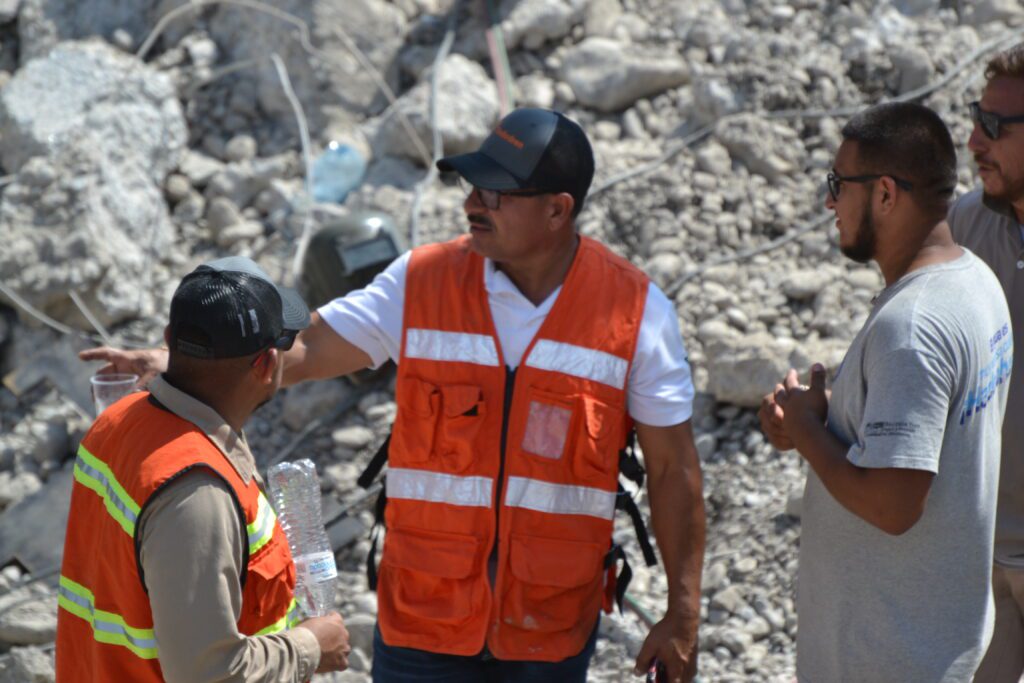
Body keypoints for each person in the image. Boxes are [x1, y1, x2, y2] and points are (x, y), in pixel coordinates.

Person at [81, 108, 706, 683]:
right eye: (470, 187)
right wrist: (182, 361)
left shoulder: (636, 314)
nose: (471, 204)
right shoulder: (422, 281)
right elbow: (307, 350)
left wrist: (682, 615)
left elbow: (673, 470)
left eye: (495, 193)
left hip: (550, 632)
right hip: (422, 625)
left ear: (557, 210)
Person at [758, 102, 1012, 682]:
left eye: (838, 185)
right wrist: (829, 419)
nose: (829, 203)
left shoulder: (912, 327)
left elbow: (893, 505)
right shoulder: (974, 279)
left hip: (890, 660)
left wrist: (805, 433)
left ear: (886, 194)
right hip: (933, 645)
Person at [57, 257, 352, 682]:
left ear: (168, 340)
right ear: (267, 365)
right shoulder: (198, 495)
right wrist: (310, 646)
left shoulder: (118, 420)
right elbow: (209, 674)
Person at [948, 43, 1024, 683]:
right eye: (978, 117)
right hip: (979, 557)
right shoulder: (963, 228)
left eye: (996, 126)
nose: (974, 139)